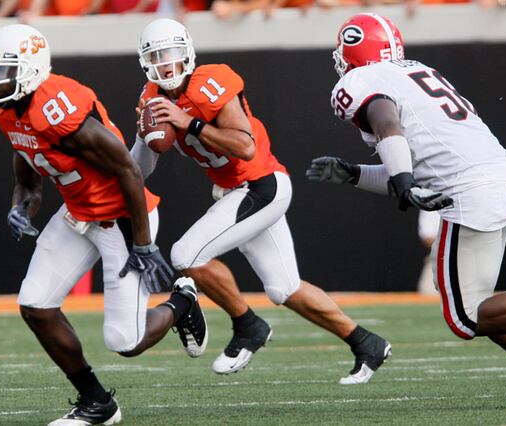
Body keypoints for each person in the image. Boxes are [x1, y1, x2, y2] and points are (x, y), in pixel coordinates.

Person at [305, 12, 506, 407]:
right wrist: (356, 174)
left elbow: (388, 125)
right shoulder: (416, 71)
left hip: (472, 191)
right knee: (476, 299)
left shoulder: (359, 80)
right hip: (499, 180)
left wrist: (404, 183)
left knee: (467, 317)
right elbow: (412, 165)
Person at [130, 18, 391, 384]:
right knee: (285, 288)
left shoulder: (212, 80)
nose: (166, 64)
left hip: (260, 185)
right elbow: (142, 166)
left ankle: (247, 325)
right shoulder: (151, 98)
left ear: (187, 53)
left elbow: (245, 145)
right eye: (156, 57)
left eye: (171, 54)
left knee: (185, 256)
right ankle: (367, 343)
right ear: (145, 63)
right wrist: (143, 139)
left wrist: (188, 122)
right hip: (237, 190)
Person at [0, 24, 208, 425]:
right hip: (77, 213)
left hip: (121, 218)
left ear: (31, 69)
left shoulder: (57, 106)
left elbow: (127, 169)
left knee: (126, 341)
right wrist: (22, 205)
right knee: (35, 305)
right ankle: (97, 403)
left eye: (6, 70)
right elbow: (28, 174)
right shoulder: (9, 114)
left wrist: (143, 244)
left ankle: (183, 300)